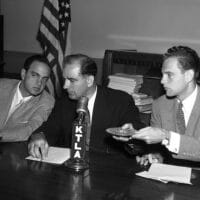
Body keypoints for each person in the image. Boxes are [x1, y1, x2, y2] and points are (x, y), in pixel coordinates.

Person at [28, 54, 145, 159]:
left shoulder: (120, 101)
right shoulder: (65, 102)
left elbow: (136, 135)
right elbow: (51, 127)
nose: (65, 86)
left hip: (106, 170)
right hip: (71, 165)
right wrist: (40, 134)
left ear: (89, 80)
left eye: (72, 80)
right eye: (65, 80)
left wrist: (131, 137)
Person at [116, 46, 200, 164]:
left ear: (188, 76)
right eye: (162, 75)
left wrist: (166, 136)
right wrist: (136, 136)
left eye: (169, 75)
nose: (162, 81)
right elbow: (159, 151)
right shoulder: (160, 105)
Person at [0, 54, 55, 142]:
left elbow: (29, 131)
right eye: (34, 75)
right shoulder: (2, 86)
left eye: (44, 79)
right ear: (23, 74)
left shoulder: (47, 102)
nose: (39, 83)